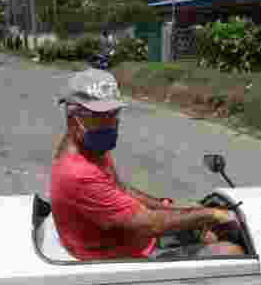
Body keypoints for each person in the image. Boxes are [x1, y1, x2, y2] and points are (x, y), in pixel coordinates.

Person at [50, 68, 246, 261]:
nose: (109, 124)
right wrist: (211, 214)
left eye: (113, 114)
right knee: (231, 253)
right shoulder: (79, 173)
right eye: (99, 117)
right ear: (73, 118)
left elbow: (121, 189)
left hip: (133, 238)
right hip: (119, 258)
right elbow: (151, 224)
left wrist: (168, 207)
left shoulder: (90, 147)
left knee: (208, 233)